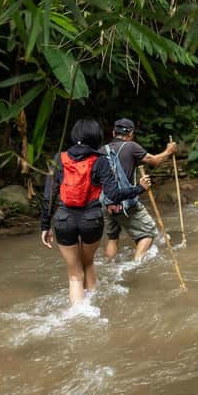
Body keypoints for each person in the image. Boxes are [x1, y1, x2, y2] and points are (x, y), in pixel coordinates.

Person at [40, 118, 151, 305]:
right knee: (88, 264)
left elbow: (48, 196)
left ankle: (79, 314)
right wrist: (139, 188)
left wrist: (45, 226)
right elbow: (114, 194)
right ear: (96, 137)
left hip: (64, 220)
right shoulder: (100, 161)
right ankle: (93, 307)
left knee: (75, 274)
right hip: (91, 220)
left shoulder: (60, 159)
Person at [101, 118, 177, 262]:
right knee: (148, 233)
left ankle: (108, 266)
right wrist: (168, 151)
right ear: (131, 134)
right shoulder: (131, 146)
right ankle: (135, 267)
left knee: (112, 237)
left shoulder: (102, 150)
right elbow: (154, 161)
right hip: (124, 201)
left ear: (113, 132)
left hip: (106, 202)